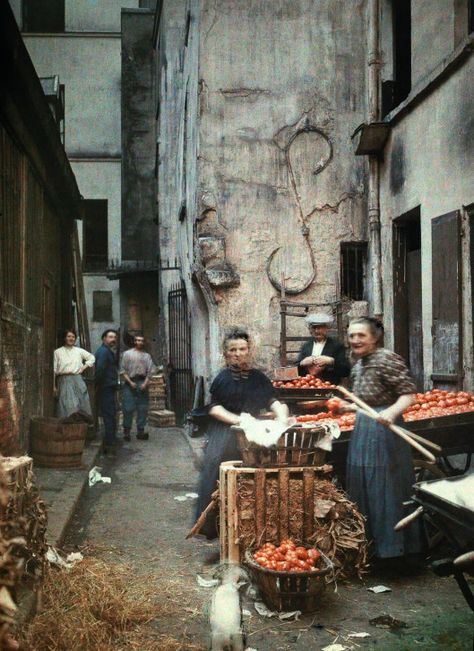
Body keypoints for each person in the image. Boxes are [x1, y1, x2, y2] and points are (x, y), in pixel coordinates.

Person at [341, 317, 423, 562]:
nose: (355, 340)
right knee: (363, 484)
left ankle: (396, 551)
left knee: (386, 487)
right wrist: (344, 407)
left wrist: (390, 412)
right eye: (352, 335)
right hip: (364, 429)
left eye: (361, 335)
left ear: (374, 337)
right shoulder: (357, 366)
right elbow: (362, 404)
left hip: (385, 432)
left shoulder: (387, 359)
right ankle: (371, 551)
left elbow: (408, 395)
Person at [196, 327, 290, 539]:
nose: (238, 353)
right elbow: (214, 408)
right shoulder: (221, 378)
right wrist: (240, 420)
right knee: (217, 473)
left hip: (252, 435)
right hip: (225, 433)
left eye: (242, 349)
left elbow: (273, 400)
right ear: (226, 353)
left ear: (249, 350)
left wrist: (282, 417)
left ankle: (248, 527)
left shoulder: (258, 378)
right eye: (233, 350)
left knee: (251, 479)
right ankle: (216, 528)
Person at [297, 313, 350, 384]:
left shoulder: (337, 346)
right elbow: (297, 371)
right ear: (310, 329)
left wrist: (331, 361)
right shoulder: (306, 346)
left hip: (329, 386)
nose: (317, 331)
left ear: (326, 328)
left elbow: (346, 371)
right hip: (308, 386)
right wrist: (302, 363)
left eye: (320, 327)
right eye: (314, 328)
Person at [120, 334, 156, 441]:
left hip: (142, 381)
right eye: (137, 340)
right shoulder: (126, 354)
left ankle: (140, 431)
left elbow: (150, 371)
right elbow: (122, 370)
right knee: (128, 408)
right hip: (129, 382)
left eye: (141, 340)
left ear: (143, 342)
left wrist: (145, 383)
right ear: (134, 342)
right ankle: (127, 431)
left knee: (142, 408)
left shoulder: (147, 356)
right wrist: (130, 382)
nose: (139, 342)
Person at [53, 330, 95, 420]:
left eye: (73, 337)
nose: (71, 338)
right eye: (69, 336)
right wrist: (54, 386)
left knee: (82, 403)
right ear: (65, 338)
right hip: (64, 379)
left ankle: (82, 427)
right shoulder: (57, 352)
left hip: (77, 379)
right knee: (67, 405)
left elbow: (91, 358)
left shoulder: (79, 351)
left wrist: (83, 367)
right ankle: (68, 428)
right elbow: (54, 370)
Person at [95, 329, 119, 453]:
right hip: (105, 387)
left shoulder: (108, 351)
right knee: (109, 414)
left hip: (109, 386)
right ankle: (110, 441)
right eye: (110, 337)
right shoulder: (104, 352)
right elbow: (100, 369)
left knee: (110, 413)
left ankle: (111, 438)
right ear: (104, 338)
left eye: (114, 337)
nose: (113, 339)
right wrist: (98, 383)